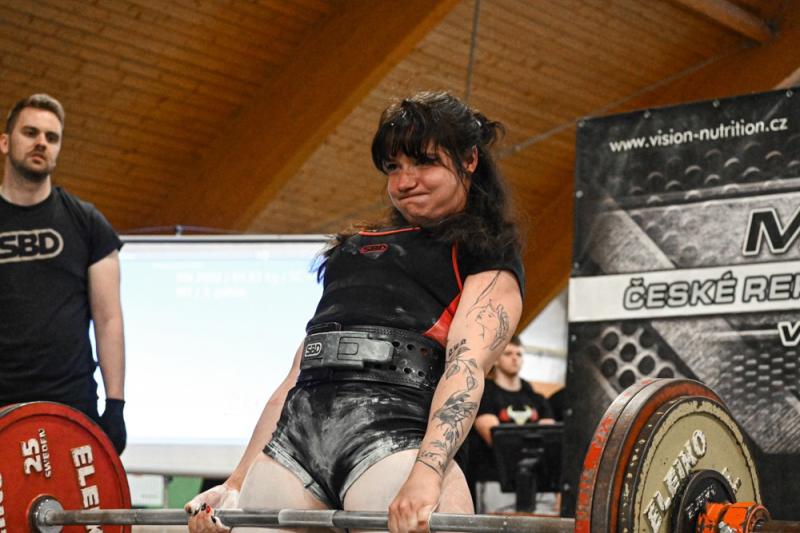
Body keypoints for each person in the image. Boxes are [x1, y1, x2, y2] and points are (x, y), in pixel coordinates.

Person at [186, 91, 524, 533]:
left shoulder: (484, 252)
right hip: (291, 452)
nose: (405, 181)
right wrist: (234, 484)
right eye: (393, 167)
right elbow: (297, 376)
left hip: (392, 447)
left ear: (469, 159)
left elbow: (466, 367)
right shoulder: (351, 251)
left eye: (424, 163)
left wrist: (427, 473)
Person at [0, 94, 127, 454]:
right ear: (5, 142)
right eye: (30, 132)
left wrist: (115, 405)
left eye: (51, 137)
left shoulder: (87, 223)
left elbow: (109, 319)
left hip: (70, 406)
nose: (41, 142)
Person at [467, 335, 555, 512]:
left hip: (537, 481)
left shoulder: (536, 398)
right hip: (496, 480)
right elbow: (496, 439)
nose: (515, 358)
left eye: (519, 354)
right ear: (496, 359)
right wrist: (532, 440)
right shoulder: (485, 393)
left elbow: (550, 440)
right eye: (508, 353)